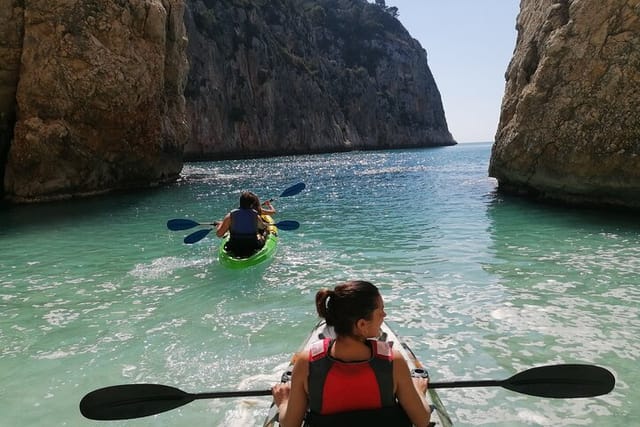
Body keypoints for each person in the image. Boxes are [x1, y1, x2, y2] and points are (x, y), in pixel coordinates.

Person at [271, 280, 431, 427]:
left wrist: (284, 402)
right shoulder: (393, 361)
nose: (384, 315)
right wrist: (418, 391)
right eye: (380, 311)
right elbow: (422, 420)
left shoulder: (306, 362)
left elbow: (290, 425)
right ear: (362, 324)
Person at [216, 191, 273, 258]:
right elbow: (262, 227)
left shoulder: (230, 216)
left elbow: (219, 234)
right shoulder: (255, 215)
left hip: (234, 246)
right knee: (265, 231)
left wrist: (221, 224)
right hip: (253, 246)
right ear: (252, 204)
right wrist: (266, 228)